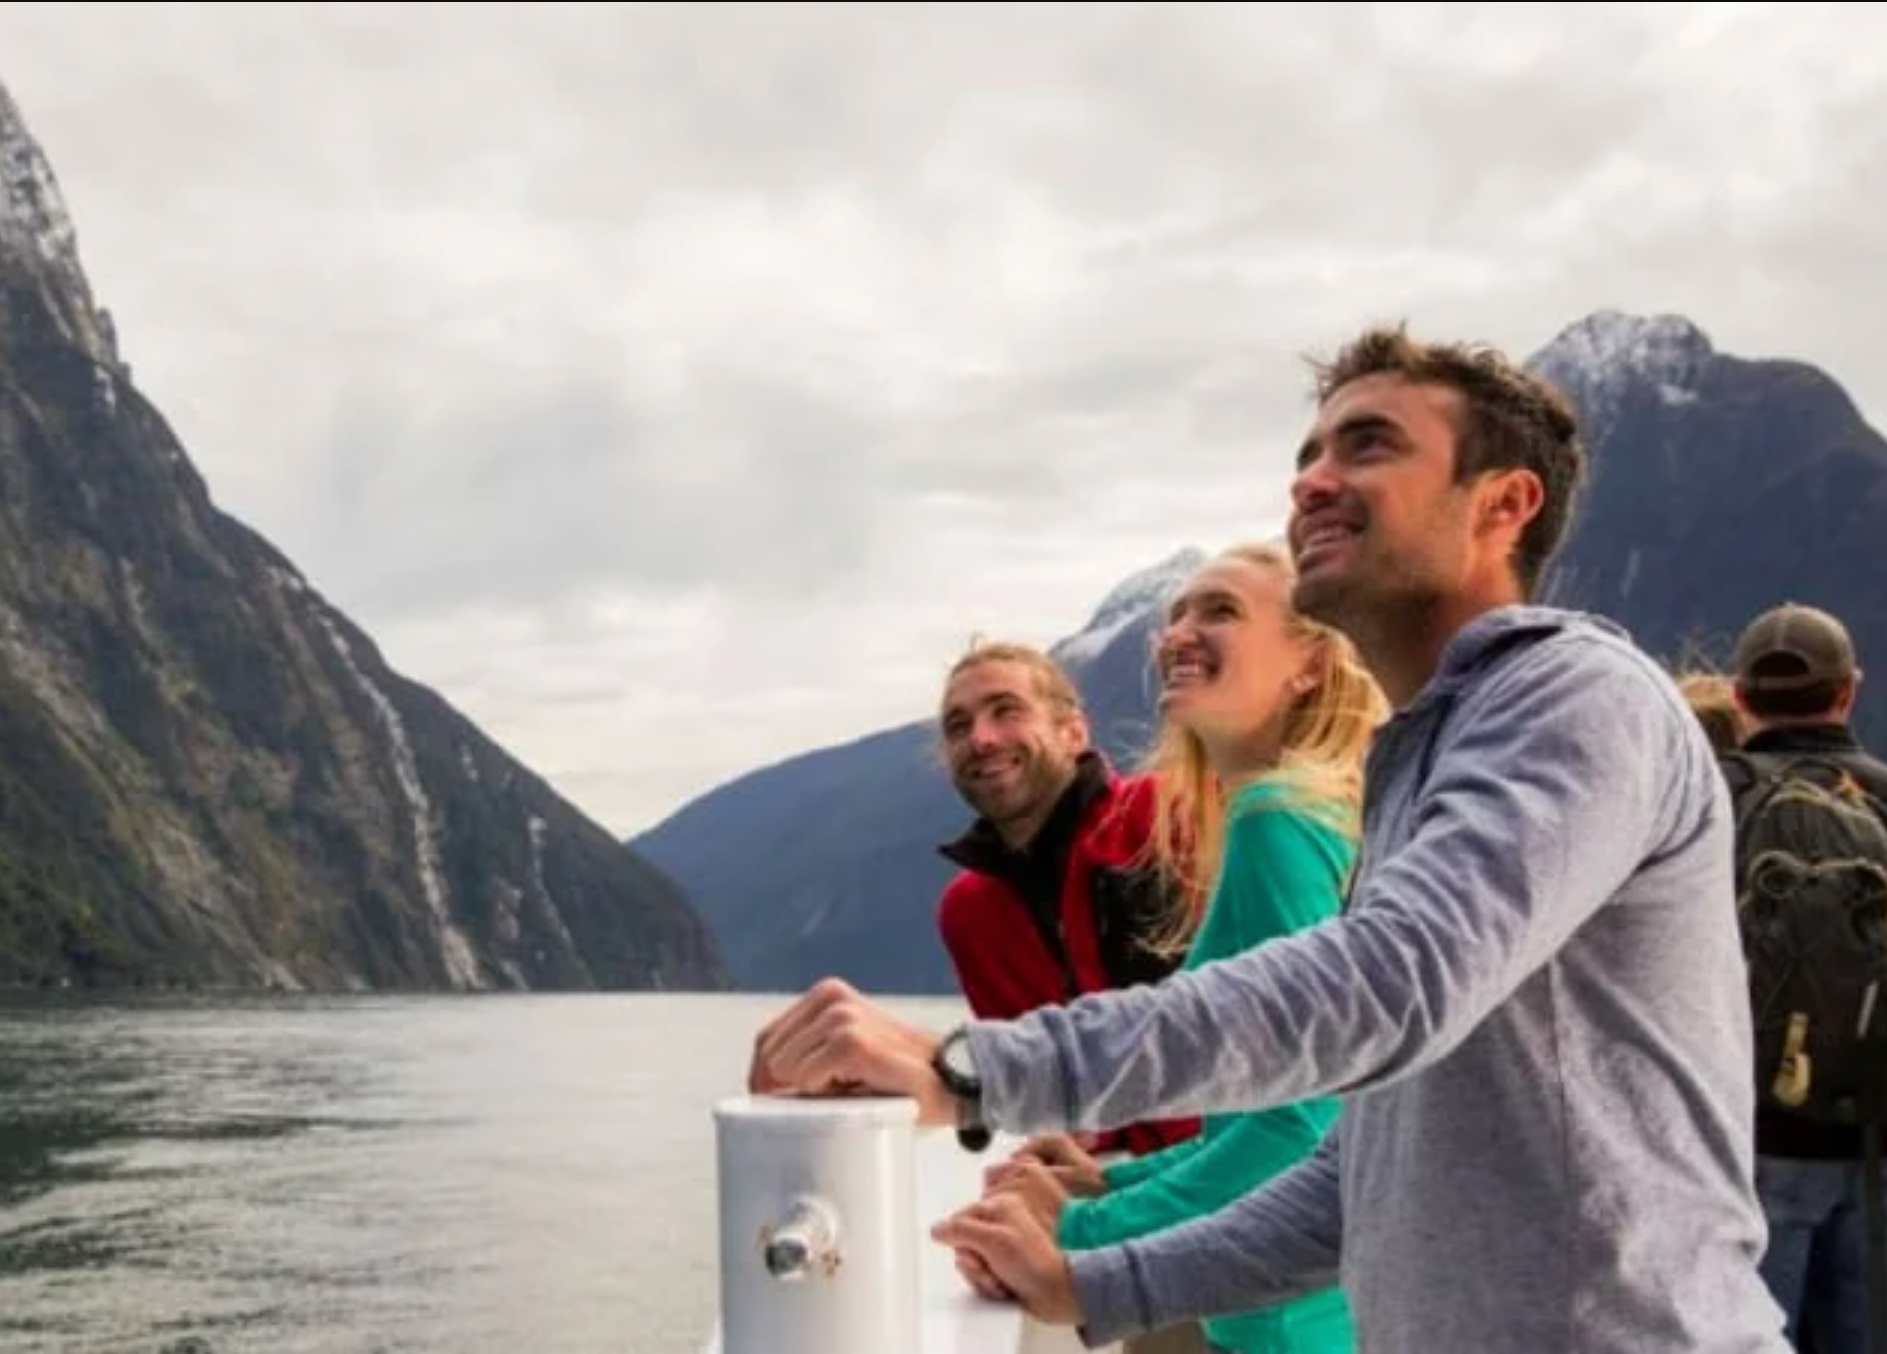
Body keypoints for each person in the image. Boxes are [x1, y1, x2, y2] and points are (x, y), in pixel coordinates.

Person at [747, 323, 1789, 1353]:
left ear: (1502, 504)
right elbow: (1362, 1177)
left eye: (1367, 444)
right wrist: (1095, 1282)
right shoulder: (1421, 771)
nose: (1310, 482)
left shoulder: (1573, 694)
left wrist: (975, 1070)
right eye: (1307, 456)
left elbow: (1388, 982)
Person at [978, 540, 1386, 1354]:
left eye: (1221, 612)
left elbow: (1302, 1125)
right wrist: (1111, 1179)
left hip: (1288, 1330)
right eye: (1177, 617)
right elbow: (1259, 1117)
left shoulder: (1280, 823)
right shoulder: (1314, 815)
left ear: (1310, 662)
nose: (1178, 635)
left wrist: (1086, 1224)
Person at [932, 639, 1200, 1158]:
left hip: (1248, 1168)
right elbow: (1040, 1093)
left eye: (1006, 711)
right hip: (1113, 1187)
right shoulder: (968, 914)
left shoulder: (1168, 816)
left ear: (1073, 730)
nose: (981, 739)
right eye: (958, 727)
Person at [1721, 602, 1887, 1354]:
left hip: (1754, 1139)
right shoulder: (1881, 799)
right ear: (1847, 692)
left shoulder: (1717, 801)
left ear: (1739, 696)